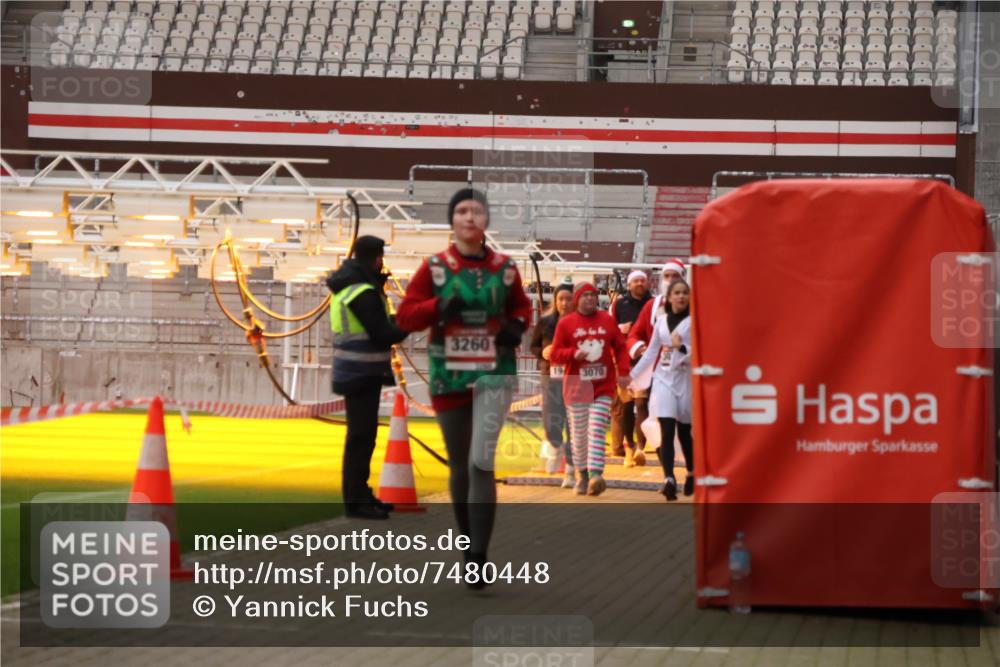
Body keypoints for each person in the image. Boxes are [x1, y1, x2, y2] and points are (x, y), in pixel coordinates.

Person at [396, 188, 532, 584]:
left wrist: (517, 326)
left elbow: (521, 305)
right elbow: (405, 316)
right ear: (451, 221)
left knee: (480, 461)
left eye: (477, 211)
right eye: (461, 211)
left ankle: (479, 554)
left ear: (487, 221)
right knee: (459, 464)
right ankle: (467, 539)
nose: (470, 218)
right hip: (449, 375)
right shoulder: (434, 268)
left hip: (494, 373)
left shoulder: (506, 268)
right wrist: (437, 307)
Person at [326, 235, 409, 520]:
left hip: (358, 370)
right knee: (361, 437)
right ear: (376, 258)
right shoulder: (360, 291)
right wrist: (407, 322)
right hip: (360, 371)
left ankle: (361, 494)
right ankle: (356, 501)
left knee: (363, 436)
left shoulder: (351, 288)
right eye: (381, 257)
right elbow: (382, 333)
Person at [548, 282, 631, 496]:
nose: (590, 299)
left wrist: (623, 371)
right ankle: (582, 475)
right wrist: (572, 354)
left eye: (593, 295)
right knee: (578, 435)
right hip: (576, 388)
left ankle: (596, 475)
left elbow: (620, 346)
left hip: (602, 386)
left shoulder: (607, 320)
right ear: (578, 300)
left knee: (596, 428)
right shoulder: (566, 324)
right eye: (585, 296)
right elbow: (555, 354)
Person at [630, 279, 693, 501]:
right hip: (664, 379)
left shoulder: (695, 323)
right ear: (670, 297)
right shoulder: (662, 321)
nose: (681, 297)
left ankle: (692, 472)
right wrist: (633, 376)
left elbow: (703, 352)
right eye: (677, 293)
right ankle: (669, 479)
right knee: (666, 428)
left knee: (685, 431)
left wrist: (682, 347)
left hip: (685, 380)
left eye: (685, 292)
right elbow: (651, 353)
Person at [530, 279, 574, 486]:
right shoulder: (545, 323)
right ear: (555, 301)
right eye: (560, 299)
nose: (564, 303)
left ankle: (572, 469)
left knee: (573, 424)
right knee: (551, 421)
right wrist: (543, 353)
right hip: (550, 377)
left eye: (568, 299)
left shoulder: (580, 323)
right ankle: (555, 447)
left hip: (574, 379)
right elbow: (533, 346)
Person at [608, 270, 652, 467]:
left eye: (643, 280)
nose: (640, 283)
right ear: (629, 284)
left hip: (646, 362)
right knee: (625, 407)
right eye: (636, 280)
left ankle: (641, 448)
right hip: (624, 362)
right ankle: (629, 447)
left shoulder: (654, 304)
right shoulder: (618, 304)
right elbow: (607, 328)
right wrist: (619, 329)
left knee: (642, 405)